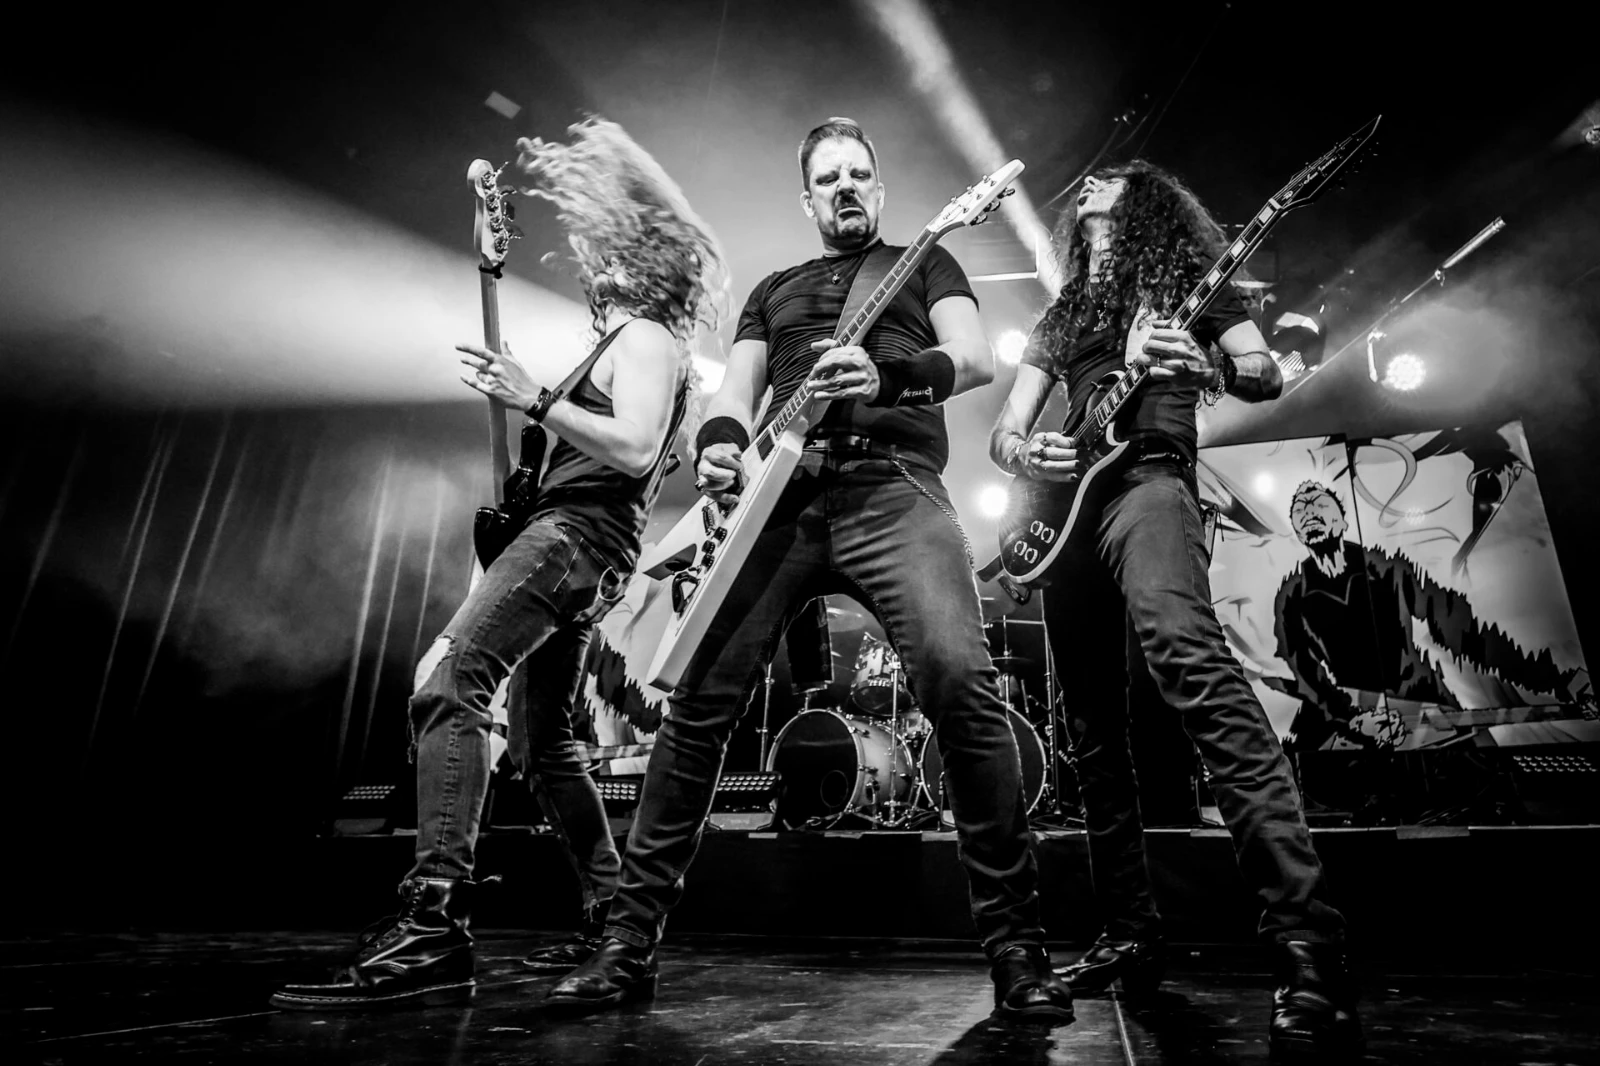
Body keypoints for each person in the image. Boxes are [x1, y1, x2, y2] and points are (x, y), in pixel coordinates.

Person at [547, 118, 1073, 1023]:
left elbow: (975, 357)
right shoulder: (773, 290)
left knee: (960, 682)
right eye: (828, 178)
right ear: (807, 198)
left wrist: (887, 378)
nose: (845, 187)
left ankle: (1018, 952)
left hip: (893, 485)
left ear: (879, 187)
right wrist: (719, 446)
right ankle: (627, 945)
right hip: (779, 502)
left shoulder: (924, 263)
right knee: (697, 706)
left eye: (859, 173)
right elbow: (734, 394)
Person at [270, 117, 728, 1010]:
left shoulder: (646, 338)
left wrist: (536, 396)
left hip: (575, 540)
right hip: (580, 545)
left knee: (450, 682)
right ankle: (609, 914)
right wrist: (491, 272)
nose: (593, 266)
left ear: (640, 262)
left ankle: (434, 920)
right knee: (543, 741)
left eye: (608, 253)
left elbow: (637, 448)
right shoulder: (626, 343)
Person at [988, 162, 1360, 1057]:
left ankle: (1308, 945)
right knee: (1090, 729)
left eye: (1110, 179)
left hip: (1150, 480)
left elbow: (1263, 373)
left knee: (1193, 665)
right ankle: (1129, 932)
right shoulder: (1064, 312)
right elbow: (1007, 429)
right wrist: (1025, 454)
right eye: (1086, 183)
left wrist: (1205, 363)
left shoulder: (1193, 283)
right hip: (1066, 513)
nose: (1089, 185)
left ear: (1146, 200)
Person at [1273, 478, 1592, 751]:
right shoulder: (1291, 597)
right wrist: (1354, 719)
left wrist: (1558, 680)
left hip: (1423, 704)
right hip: (1349, 719)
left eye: (1318, 503)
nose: (1309, 511)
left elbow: (1466, 634)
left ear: (1343, 521)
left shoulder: (1389, 568)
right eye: (1300, 509)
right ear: (1297, 531)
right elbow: (1305, 672)